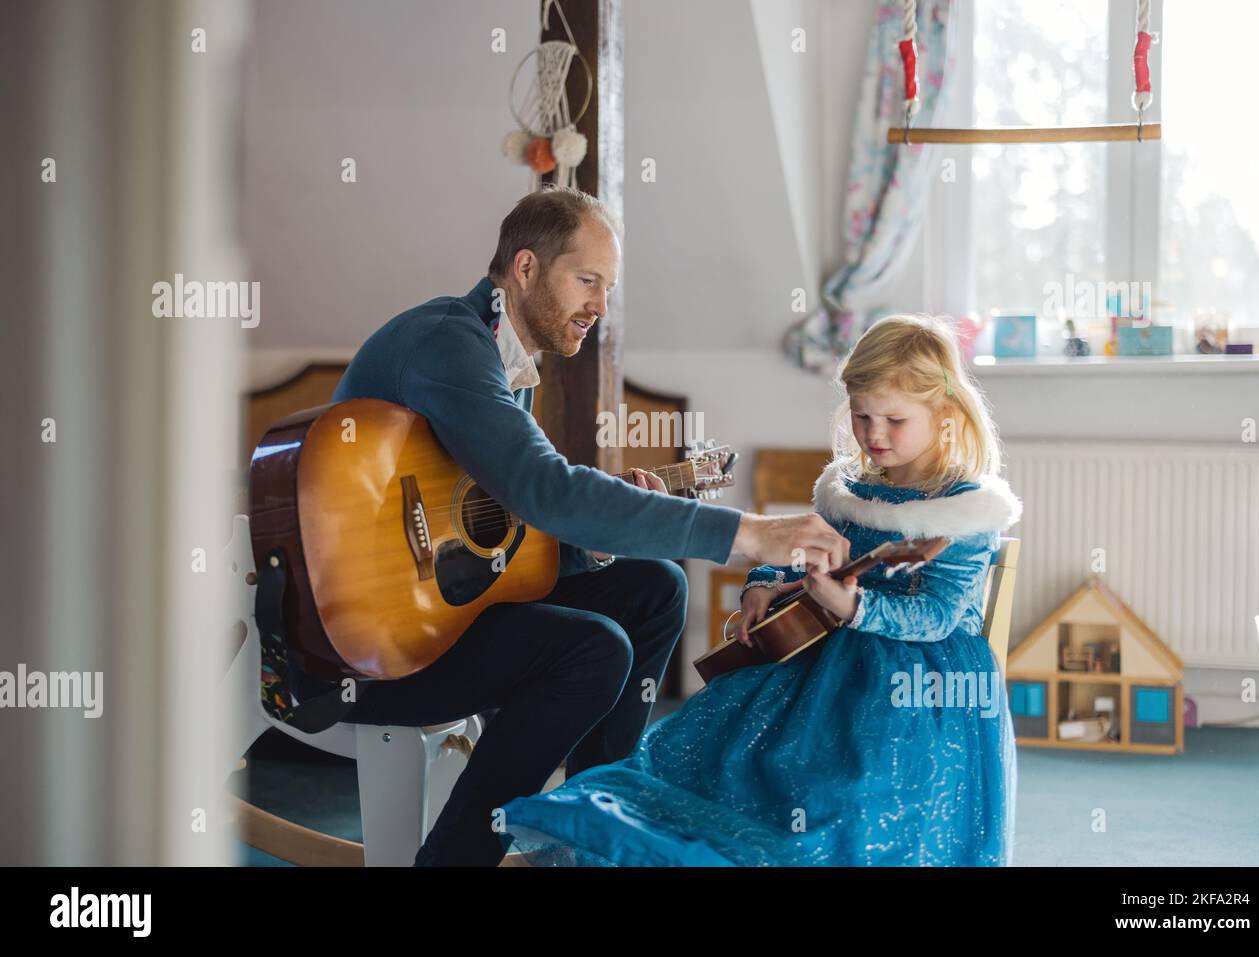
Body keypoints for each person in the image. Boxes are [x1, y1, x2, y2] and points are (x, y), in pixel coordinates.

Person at [284, 183, 852, 866]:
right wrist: (749, 534)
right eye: (587, 280)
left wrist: (599, 547)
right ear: (525, 268)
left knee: (654, 589)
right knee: (594, 649)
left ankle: (589, 831)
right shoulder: (448, 343)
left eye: (607, 288)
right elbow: (545, 489)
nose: (600, 307)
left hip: (433, 608)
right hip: (360, 646)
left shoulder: (508, 364)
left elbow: (503, 542)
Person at [498, 314, 1023, 865]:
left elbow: (937, 614)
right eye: (862, 415)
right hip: (820, 656)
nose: (874, 434)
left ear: (943, 413)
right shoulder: (851, 489)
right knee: (716, 750)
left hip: (916, 684)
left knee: (842, 795)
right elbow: (803, 554)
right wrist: (763, 583)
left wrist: (855, 606)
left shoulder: (963, 508)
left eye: (894, 419)